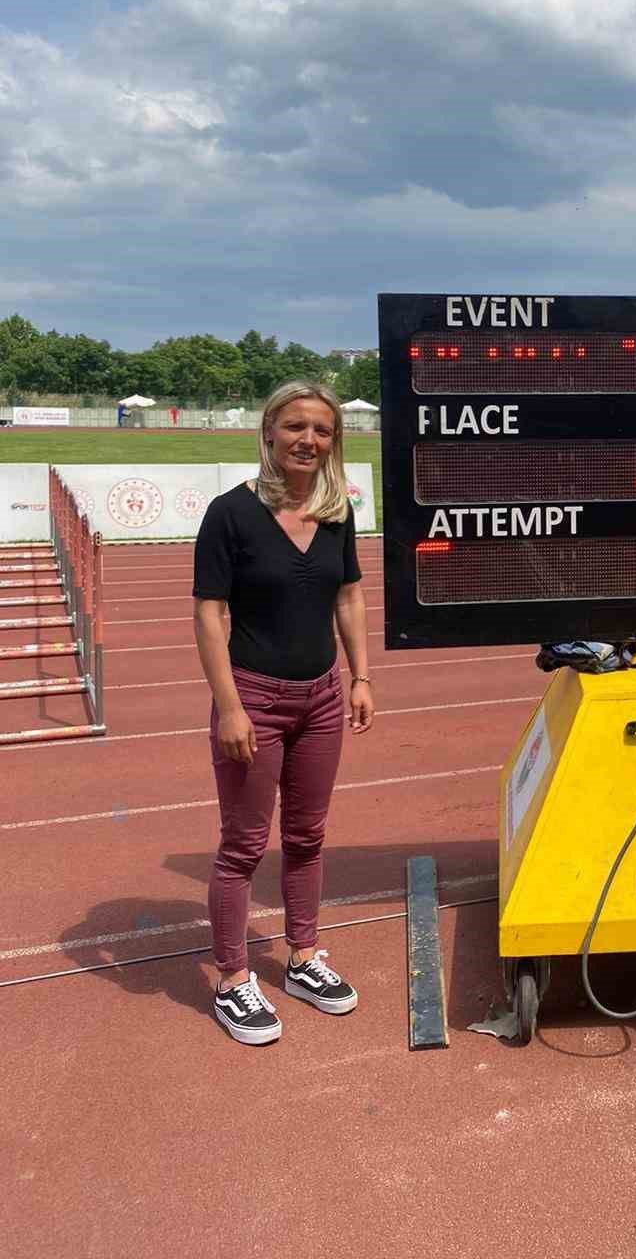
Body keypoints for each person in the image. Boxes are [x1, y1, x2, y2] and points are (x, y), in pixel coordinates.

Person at [193, 380, 375, 1043]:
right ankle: (234, 978)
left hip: (322, 697)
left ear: (334, 442)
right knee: (242, 846)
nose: (308, 440)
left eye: (322, 431)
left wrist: (360, 676)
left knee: (306, 837)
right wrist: (230, 708)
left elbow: (349, 596)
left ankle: (301, 958)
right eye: (296, 426)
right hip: (255, 701)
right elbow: (210, 616)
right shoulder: (230, 514)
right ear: (269, 431)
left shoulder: (336, 512)